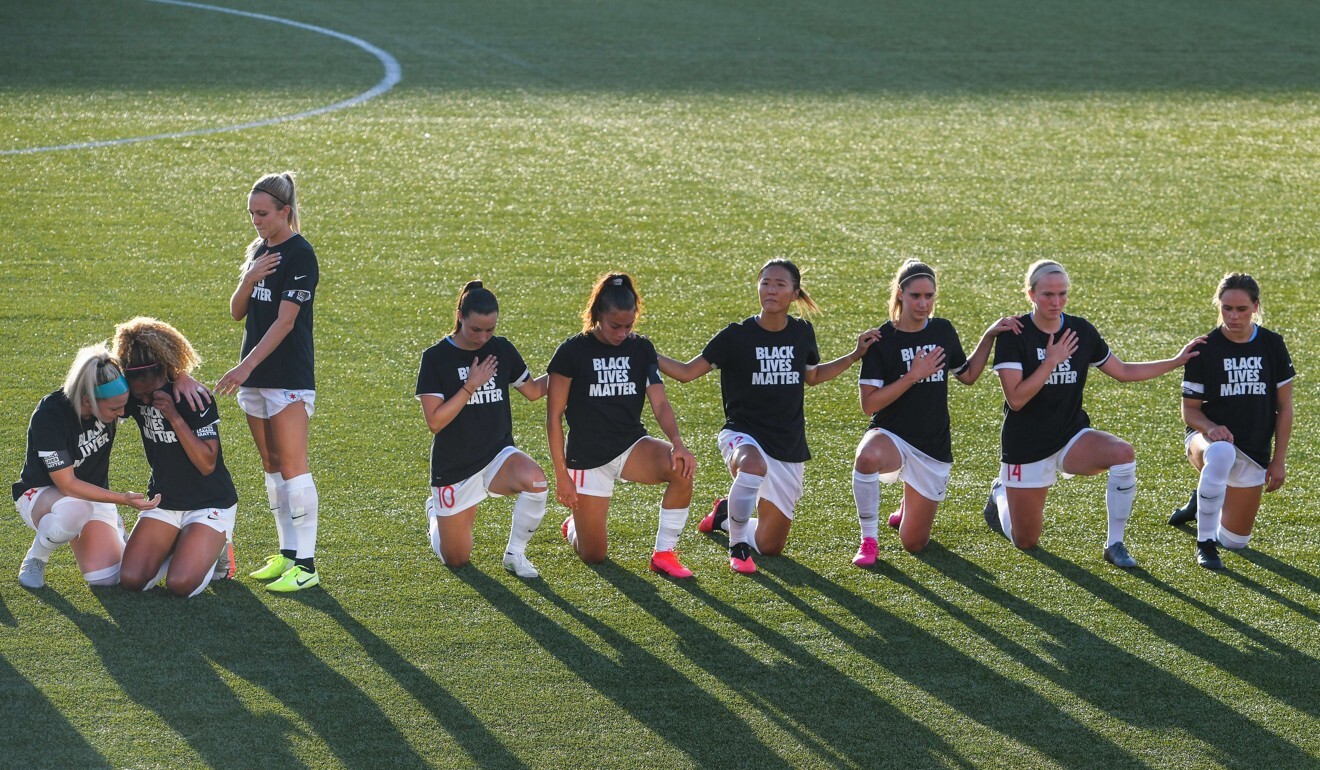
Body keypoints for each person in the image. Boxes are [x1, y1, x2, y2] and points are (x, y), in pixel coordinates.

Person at [657, 259, 879, 574]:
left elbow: (812, 376)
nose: (771, 290)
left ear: (794, 293)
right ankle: (737, 548)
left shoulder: (802, 332)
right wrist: (645, 353)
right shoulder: (736, 335)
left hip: (787, 445)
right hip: (742, 435)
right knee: (752, 466)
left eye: (779, 284)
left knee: (771, 545)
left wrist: (854, 355)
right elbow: (686, 373)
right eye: (765, 283)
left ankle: (725, 515)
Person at [984, 259, 1204, 568]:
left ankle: (1115, 543)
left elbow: (1123, 371)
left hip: (1070, 436)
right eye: (1048, 294)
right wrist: (1051, 361)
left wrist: (1176, 360)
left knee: (1122, 453)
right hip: (1026, 445)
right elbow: (1017, 399)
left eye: (1062, 294)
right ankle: (1000, 493)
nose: (1056, 302)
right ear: (1030, 294)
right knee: (1026, 540)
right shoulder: (1015, 333)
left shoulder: (1080, 330)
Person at [850, 260, 1021, 564]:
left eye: (929, 296)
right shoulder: (881, 339)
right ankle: (868, 540)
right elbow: (870, 405)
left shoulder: (942, 330)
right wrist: (913, 375)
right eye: (916, 296)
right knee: (867, 457)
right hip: (890, 435)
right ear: (900, 294)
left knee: (914, 543)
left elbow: (967, 376)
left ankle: (908, 503)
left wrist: (989, 335)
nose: (924, 304)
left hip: (931, 444)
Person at [547, 273, 697, 578]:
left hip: (631, 446)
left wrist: (678, 443)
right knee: (594, 555)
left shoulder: (640, 348)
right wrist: (562, 475)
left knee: (680, 468)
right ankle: (575, 523)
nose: (622, 333)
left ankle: (664, 553)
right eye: (616, 326)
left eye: (629, 326)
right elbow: (553, 417)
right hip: (587, 457)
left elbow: (659, 402)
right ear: (597, 315)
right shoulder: (572, 351)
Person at [215, 171, 321, 592]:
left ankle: (308, 566)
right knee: (272, 466)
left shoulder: (300, 255)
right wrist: (249, 277)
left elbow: (285, 322)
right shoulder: (260, 250)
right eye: (251, 213)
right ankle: (287, 554)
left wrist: (244, 368)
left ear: (285, 211)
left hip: (287, 376)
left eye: (263, 213)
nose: (256, 220)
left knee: (294, 468)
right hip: (256, 379)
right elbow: (236, 312)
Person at [416, 281, 550, 578]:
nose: (484, 337)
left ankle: (515, 555)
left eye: (490, 329)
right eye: (476, 329)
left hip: (497, 455)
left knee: (537, 482)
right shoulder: (436, 358)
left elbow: (532, 391)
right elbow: (435, 421)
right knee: (457, 559)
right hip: (455, 466)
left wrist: (568, 367)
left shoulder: (501, 349)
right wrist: (471, 385)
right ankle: (434, 515)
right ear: (460, 316)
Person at [1168, 273, 1293, 569]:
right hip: (1207, 441)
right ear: (1218, 306)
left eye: (1241, 309)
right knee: (1221, 452)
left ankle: (1201, 502)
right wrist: (1211, 428)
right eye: (1226, 308)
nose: (1233, 316)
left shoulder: (1272, 345)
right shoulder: (1204, 347)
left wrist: (1279, 460)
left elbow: (1285, 408)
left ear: (1256, 307)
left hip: (1253, 449)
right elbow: (1190, 411)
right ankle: (1205, 544)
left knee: (1236, 541)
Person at [12, 345, 159, 589]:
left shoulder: (112, 397)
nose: (123, 413)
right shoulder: (51, 414)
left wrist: (184, 379)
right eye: (115, 409)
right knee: (74, 511)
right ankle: (36, 557)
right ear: (87, 400)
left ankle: (113, 524)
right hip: (41, 494)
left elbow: (154, 365)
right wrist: (121, 499)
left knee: (105, 578)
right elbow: (66, 484)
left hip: (93, 496)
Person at [113, 317, 239, 597]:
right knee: (132, 580)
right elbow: (102, 378)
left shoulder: (193, 396)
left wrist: (173, 415)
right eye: (139, 394)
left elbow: (207, 464)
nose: (144, 400)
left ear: (166, 372)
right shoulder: (133, 393)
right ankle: (184, 542)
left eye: (151, 393)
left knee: (180, 585)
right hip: (164, 500)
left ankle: (218, 546)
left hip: (210, 502)